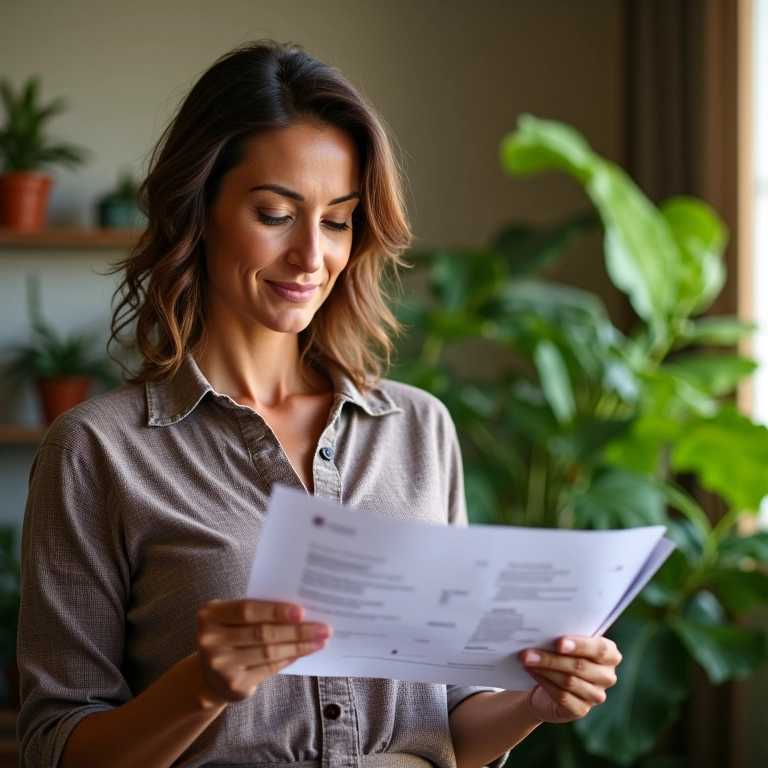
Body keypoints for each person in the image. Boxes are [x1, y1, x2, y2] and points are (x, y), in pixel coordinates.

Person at [17, 42, 621, 768]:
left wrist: (534, 703)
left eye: (338, 220)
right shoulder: (97, 449)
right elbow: (54, 745)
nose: (312, 255)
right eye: (276, 213)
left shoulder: (419, 429)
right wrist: (201, 688)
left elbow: (448, 726)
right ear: (199, 210)